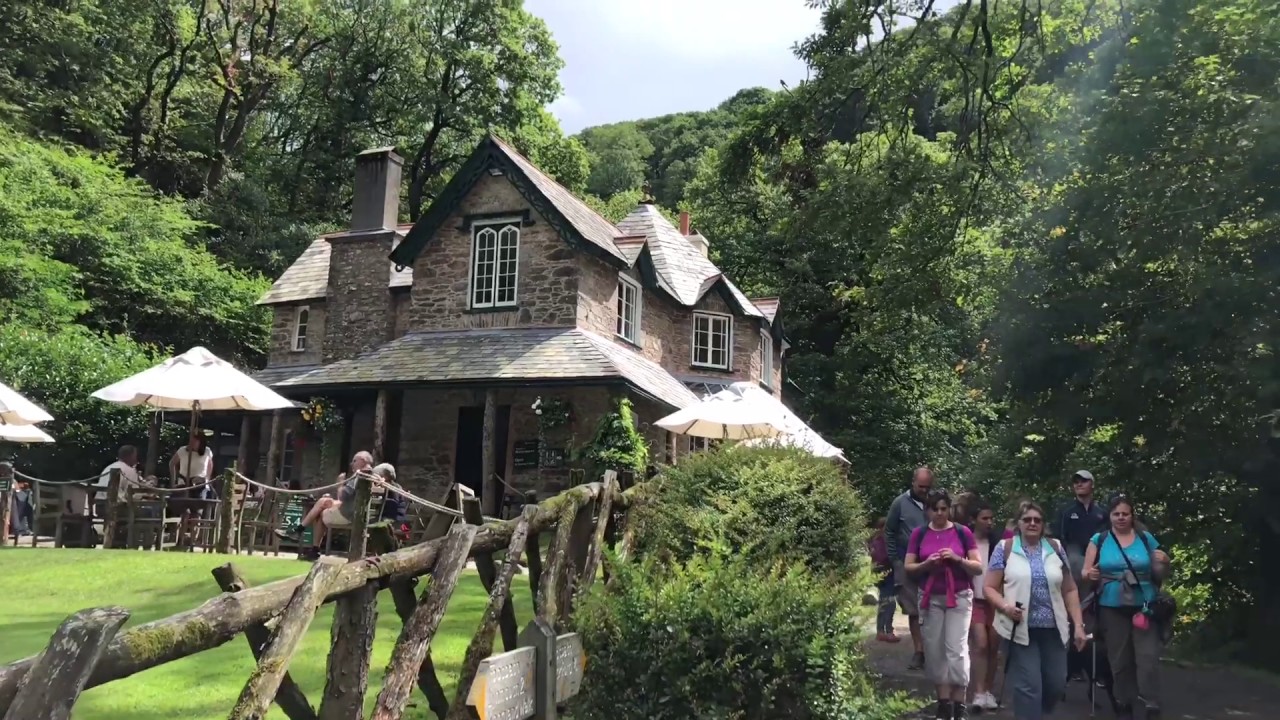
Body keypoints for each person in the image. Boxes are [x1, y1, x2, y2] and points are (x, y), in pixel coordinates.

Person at [985, 501, 1088, 720]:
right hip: (1020, 628)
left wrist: (1078, 625)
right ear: (1018, 523)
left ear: (1043, 524)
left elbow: (1069, 589)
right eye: (1027, 520)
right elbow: (989, 587)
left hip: (1054, 628)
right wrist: (1005, 606)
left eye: (1037, 520)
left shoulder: (1056, 548)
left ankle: (1037, 714)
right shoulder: (1006, 548)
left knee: (1056, 684)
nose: (1032, 523)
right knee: (1029, 686)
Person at [1084, 494, 1169, 720]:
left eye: (1125, 514)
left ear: (1132, 516)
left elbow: (1160, 568)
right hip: (1111, 605)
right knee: (1119, 659)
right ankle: (1124, 701)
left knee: (1147, 657)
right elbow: (1085, 572)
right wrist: (1090, 574)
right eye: (1116, 514)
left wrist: (1165, 562)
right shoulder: (1099, 539)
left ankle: (1150, 701)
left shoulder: (1144, 537)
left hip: (1144, 604)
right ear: (1110, 516)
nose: (1121, 518)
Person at [905, 490, 983, 720]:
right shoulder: (919, 534)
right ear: (928, 510)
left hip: (958, 595)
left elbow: (977, 567)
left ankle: (960, 703)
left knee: (956, 649)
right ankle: (943, 703)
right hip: (930, 597)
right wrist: (926, 564)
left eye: (943, 508)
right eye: (935, 509)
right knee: (935, 650)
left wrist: (958, 559)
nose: (939, 513)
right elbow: (909, 567)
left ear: (948, 509)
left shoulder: (962, 532)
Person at [279, 451, 373, 559]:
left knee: (320, 513)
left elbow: (343, 496)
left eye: (354, 461)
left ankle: (302, 536)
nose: (352, 463)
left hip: (349, 516)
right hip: (359, 513)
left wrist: (340, 483)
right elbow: (353, 499)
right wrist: (332, 501)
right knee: (323, 502)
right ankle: (303, 537)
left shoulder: (360, 475)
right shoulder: (373, 475)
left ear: (363, 461)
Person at [887, 466, 935, 670]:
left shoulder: (935, 503)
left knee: (934, 608)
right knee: (914, 610)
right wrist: (895, 560)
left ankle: (935, 651)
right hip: (907, 564)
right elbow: (889, 531)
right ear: (913, 483)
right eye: (921, 486)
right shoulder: (900, 503)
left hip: (933, 565)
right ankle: (919, 651)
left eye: (927, 487)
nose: (924, 490)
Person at [967, 500, 1002, 711]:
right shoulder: (966, 541)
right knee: (980, 643)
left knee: (994, 646)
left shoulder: (998, 543)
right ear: (974, 520)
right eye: (984, 518)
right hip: (973, 599)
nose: (989, 522)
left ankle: (988, 690)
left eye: (991, 518)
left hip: (996, 600)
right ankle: (978, 692)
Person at [868, 517, 900, 642]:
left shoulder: (877, 541)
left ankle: (882, 631)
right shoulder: (880, 541)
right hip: (886, 574)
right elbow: (883, 558)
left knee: (885, 602)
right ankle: (888, 631)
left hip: (882, 575)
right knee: (889, 602)